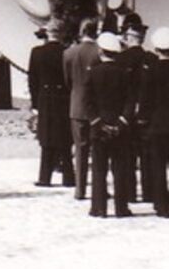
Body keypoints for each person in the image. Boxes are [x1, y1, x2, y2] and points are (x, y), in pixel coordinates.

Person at [137, 26, 169, 217]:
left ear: (156, 48)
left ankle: (161, 205)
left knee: (158, 166)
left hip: (156, 124)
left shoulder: (150, 71)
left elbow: (145, 99)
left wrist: (143, 119)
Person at [84, 31, 136, 218]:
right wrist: (121, 122)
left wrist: (98, 123)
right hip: (119, 127)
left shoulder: (93, 73)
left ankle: (99, 208)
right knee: (120, 169)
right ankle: (121, 208)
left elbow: (87, 102)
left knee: (99, 170)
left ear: (100, 51)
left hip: (99, 127)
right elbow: (130, 101)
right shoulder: (124, 74)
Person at [27, 25, 75, 187]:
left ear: (47, 34)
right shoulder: (67, 52)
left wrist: (34, 103)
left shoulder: (37, 52)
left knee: (46, 138)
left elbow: (32, 80)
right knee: (65, 138)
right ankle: (68, 176)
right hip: (63, 98)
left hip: (45, 98)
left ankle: (45, 177)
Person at [63, 18, 102, 201]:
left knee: (80, 150)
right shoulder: (100, 51)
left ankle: (80, 189)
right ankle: (99, 188)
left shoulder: (69, 53)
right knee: (98, 150)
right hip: (97, 106)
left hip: (77, 104)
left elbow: (68, 81)